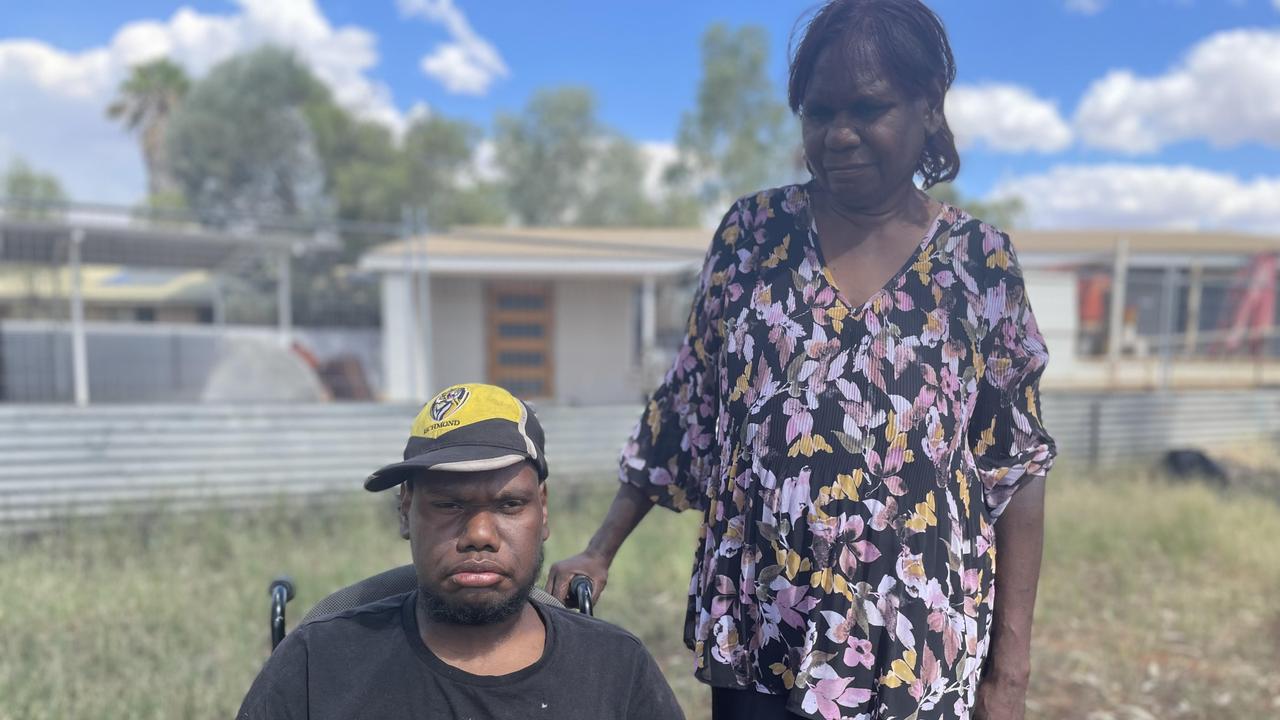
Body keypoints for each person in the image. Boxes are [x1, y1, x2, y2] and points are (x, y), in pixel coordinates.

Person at [547, 2, 1057, 719]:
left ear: (927, 108)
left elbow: (1017, 465)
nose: (839, 135)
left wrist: (1011, 673)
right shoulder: (753, 236)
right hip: (762, 635)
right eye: (818, 113)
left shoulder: (979, 265)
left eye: (867, 107)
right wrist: (600, 549)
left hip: (915, 651)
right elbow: (687, 407)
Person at [239, 383, 685, 720]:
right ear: (405, 510)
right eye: (449, 504)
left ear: (543, 512)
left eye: (509, 505)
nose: (479, 534)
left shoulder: (616, 670)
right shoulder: (318, 664)